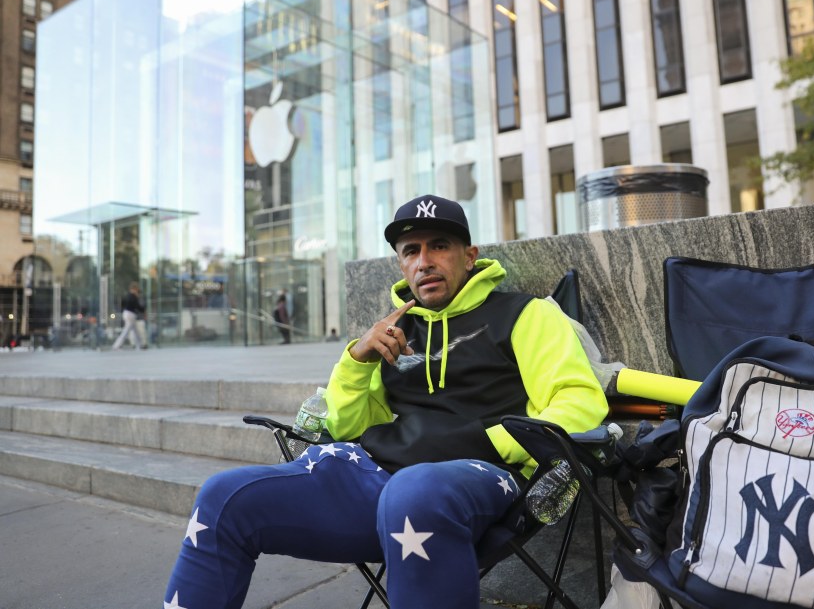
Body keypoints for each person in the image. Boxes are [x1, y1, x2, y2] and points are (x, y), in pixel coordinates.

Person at [163, 194, 608, 609]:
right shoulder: (394, 331)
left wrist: (492, 442)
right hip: (370, 475)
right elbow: (343, 424)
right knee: (223, 496)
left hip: (474, 477)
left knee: (414, 492)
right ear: (400, 265)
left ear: (469, 257)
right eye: (411, 251)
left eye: (440, 246)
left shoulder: (524, 314)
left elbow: (578, 403)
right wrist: (358, 359)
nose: (425, 261)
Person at [112, 281, 146, 350]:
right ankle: (117, 345)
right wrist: (143, 310)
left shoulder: (128, 295)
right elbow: (137, 306)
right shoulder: (133, 296)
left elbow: (123, 304)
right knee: (126, 331)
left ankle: (140, 344)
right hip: (130, 314)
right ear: (134, 289)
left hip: (127, 313)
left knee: (136, 331)